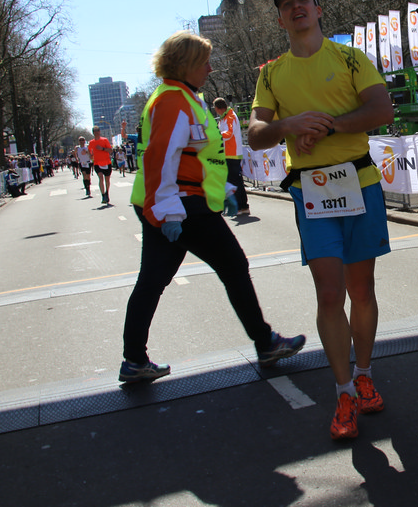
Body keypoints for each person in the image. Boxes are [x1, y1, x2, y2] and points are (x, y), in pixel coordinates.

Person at [248, 0, 394, 441]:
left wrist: (327, 127)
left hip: (359, 182)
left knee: (361, 289)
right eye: (286, 5)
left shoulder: (350, 58)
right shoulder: (271, 74)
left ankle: (364, 374)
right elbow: (256, 133)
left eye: (303, 1)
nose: (296, 8)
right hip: (310, 191)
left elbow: (382, 109)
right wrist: (289, 124)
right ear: (280, 20)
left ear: (318, 10)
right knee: (330, 294)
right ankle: (344, 391)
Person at [120, 30, 305, 385]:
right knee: (234, 266)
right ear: (186, 64)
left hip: (172, 203)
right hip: (182, 205)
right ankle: (265, 343)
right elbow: (162, 158)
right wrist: (170, 210)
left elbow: (197, 155)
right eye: (204, 62)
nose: (209, 68)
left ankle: (134, 360)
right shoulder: (174, 100)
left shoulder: (179, 97)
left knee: (152, 282)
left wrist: (224, 188)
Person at [213, 96, 250, 216]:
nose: (215, 111)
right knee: (233, 181)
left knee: (235, 182)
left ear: (218, 108)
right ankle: (241, 206)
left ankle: (241, 206)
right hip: (228, 153)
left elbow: (229, 134)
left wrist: (216, 134)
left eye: (215, 109)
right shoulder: (224, 117)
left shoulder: (230, 116)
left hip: (232, 154)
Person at [88, 126, 113, 204]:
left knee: (107, 179)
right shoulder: (91, 142)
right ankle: (103, 195)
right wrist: (90, 155)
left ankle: (107, 193)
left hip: (107, 162)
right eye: (94, 131)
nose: (96, 132)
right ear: (93, 133)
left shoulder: (104, 140)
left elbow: (110, 150)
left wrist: (102, 149)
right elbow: (89, 150)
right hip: (97, 163)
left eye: (97, 131)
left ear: (99, 132)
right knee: (101, 178)